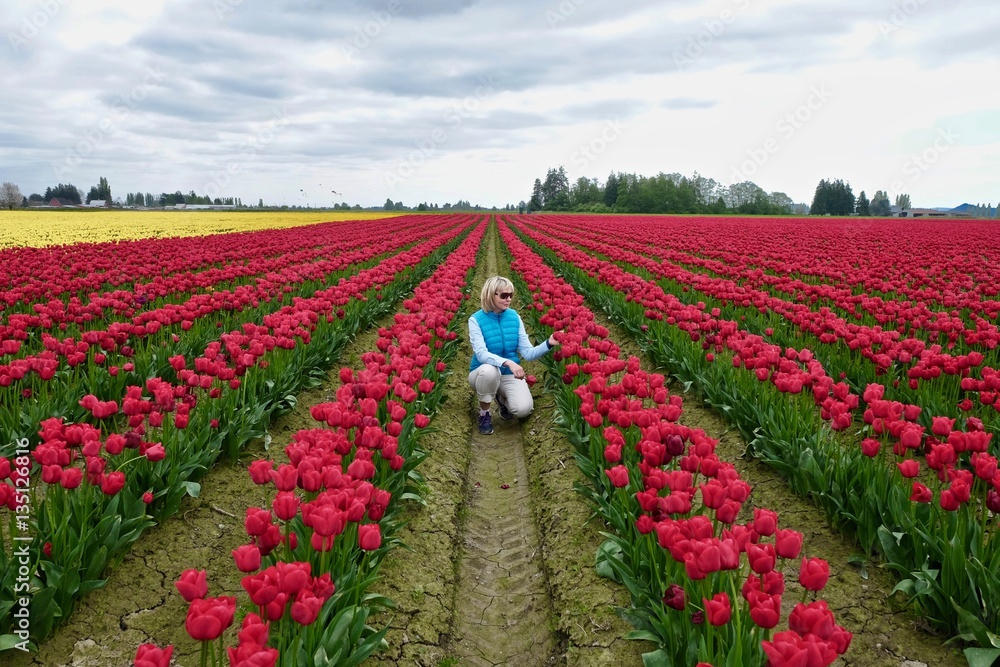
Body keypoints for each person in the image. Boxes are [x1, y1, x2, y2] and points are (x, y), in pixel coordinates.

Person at [468, 276, 558, 435]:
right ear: (490, 295)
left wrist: (549, 343)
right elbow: (481, 354)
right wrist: (508, 363)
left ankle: (501, 399)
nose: (508, 299)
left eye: (511, 295)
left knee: (523, 409)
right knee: (490, 370)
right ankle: (485, 414)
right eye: (503, 295)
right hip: (482, 373)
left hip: (507, 376)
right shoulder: (476, 320)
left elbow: (528, 353)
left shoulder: (514, 316)